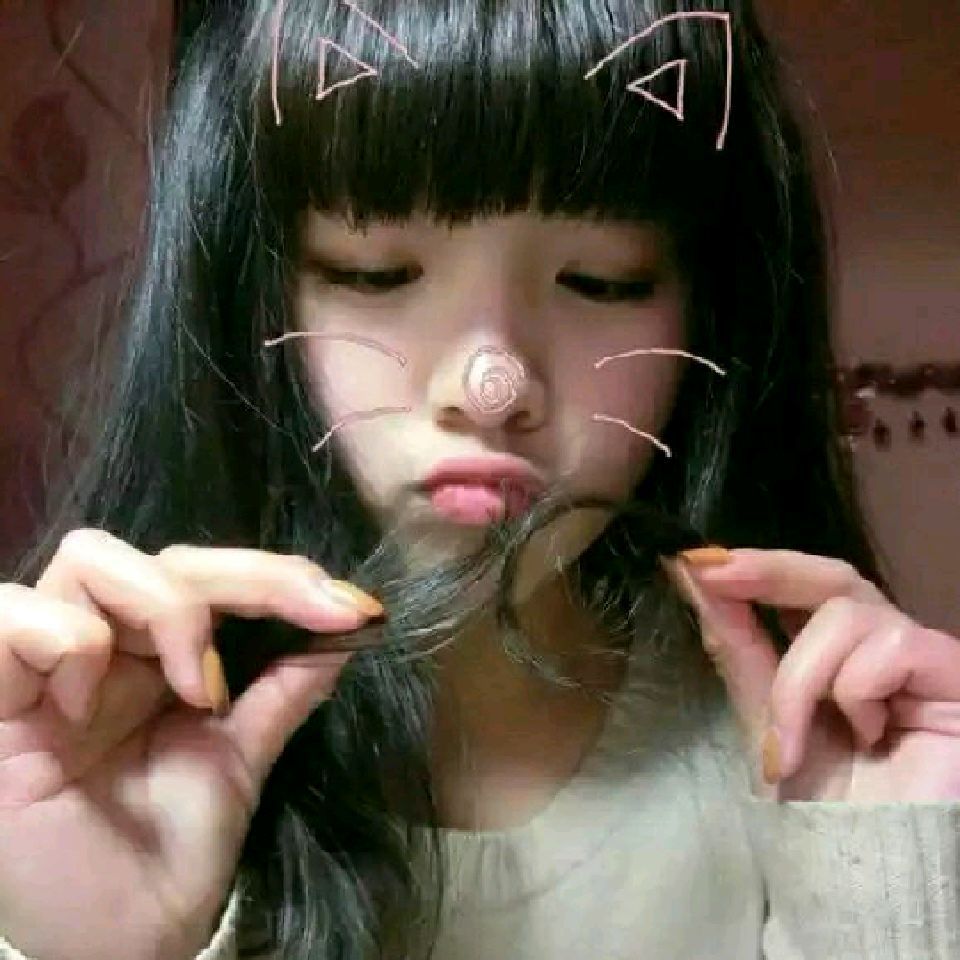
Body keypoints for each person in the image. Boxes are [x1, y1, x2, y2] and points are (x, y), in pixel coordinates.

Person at [2, 0, 959, 958]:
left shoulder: (821, 767)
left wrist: (890, 904)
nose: (490, 387)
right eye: (376, 272)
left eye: (602, 279)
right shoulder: (88, 770)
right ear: (247, 288)